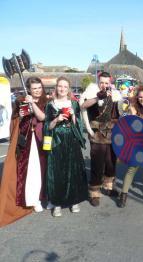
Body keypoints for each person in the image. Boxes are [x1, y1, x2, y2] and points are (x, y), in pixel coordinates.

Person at [0, 77, 47, 227]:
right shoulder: (21, 100)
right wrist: (21, 112)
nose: (37, 90)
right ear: (29, 89)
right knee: (28, 172)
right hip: (26, 141)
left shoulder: (46, 101)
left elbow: (42, 117)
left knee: (41, 170)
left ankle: (39, 197)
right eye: (34, 88)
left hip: (41, 140)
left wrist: (32, 103)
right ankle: (31, 199)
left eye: (39, 87)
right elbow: (16, 119)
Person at [44, 76, 88, 217]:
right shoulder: (50, 105)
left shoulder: (73, 104)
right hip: (57, 141)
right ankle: (56, 203)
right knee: (57, 171)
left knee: (73, 170)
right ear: (56, 87)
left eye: (65, 87)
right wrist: (57, 119)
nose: (62, 89)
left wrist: (73, 116)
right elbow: (47, 126)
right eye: (60, 86)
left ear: (68, 89)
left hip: (71, 140)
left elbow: (78, 125)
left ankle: (73, 201)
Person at [81, 72, 119, 207]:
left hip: (112, 132)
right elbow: (83, 106)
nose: (104, 85)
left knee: (111, 162)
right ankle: (94, 192)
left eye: (106, 83)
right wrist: (98, 97)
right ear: (98, 82)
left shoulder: (113, 93)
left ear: (110, 82)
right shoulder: (93, 92)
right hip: (97, 133)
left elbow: (118, 112)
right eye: (102, 82)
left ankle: (108, 186)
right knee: (97, 164)